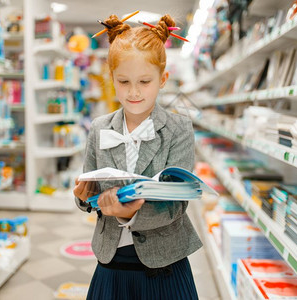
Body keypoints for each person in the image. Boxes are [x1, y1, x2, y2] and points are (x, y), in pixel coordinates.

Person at [73, 13, 202, 300]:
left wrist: (129, 212)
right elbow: (89, 195)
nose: (133, 92)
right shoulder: (99, 128)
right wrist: (84, 197)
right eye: (124, 81)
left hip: (165, 264)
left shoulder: (178, 129)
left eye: (144, 81)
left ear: (163, 78)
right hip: (111, 263)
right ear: (112, 79)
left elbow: (176, 206)